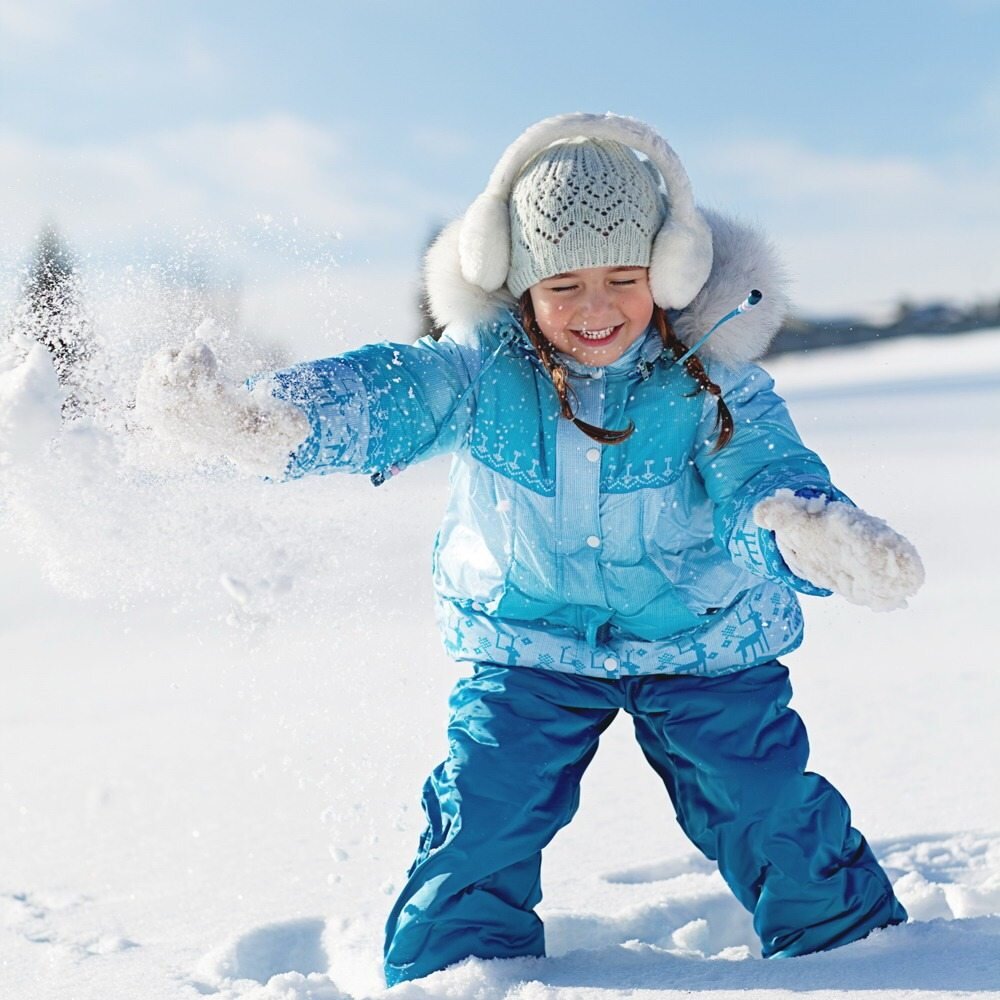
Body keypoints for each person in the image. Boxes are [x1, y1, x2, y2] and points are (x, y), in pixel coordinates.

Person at [137, 112, 924, 986]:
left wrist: (805, 528)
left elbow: (762, 471)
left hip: (702, 643)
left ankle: (860, 958)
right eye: (563, 285)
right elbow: (390, 393)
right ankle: (459, 970)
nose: (596, 310)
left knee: (766, 802)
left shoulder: (710, 376)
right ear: (516, 284)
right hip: (529, 642)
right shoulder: (481, 369)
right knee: (484, 813)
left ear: (670, 271)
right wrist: (270, 418)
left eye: (623, 278)